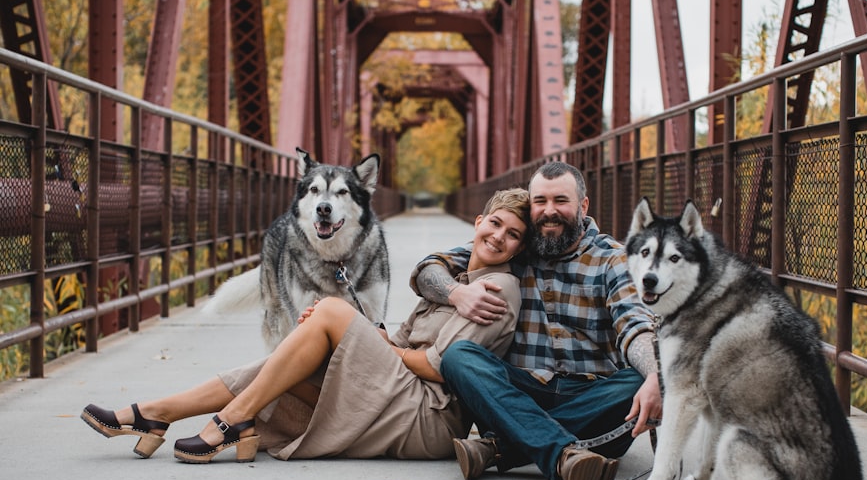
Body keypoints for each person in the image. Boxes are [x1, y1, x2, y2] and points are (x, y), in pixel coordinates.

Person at [80, 188, 531, 463]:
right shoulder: (450, 278)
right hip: (400, 394)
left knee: (333, 312)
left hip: (429, 416)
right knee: (299, 355)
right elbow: (402, 341)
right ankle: (158, 414)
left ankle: (233, 420)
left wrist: (354, 333)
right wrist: (360, 340)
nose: (498, 236)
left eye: (512, 235)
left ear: (518, 247)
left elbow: (441, 367)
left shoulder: (498, 291)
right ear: (477, 222)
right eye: (495, 224)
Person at [411, 161, 662, 480]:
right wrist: (457, 293)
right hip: (520, 389)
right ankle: (563, 456)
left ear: (583, 206)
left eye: (561, 200)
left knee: (635, 381)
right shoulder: (517, 245)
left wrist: (655, 375)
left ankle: (502, 447)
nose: (549, 211)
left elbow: (634, 325)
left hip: (592, 399)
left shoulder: (613, 259)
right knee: (459, 357)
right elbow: (428, 268)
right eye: (540, 201)